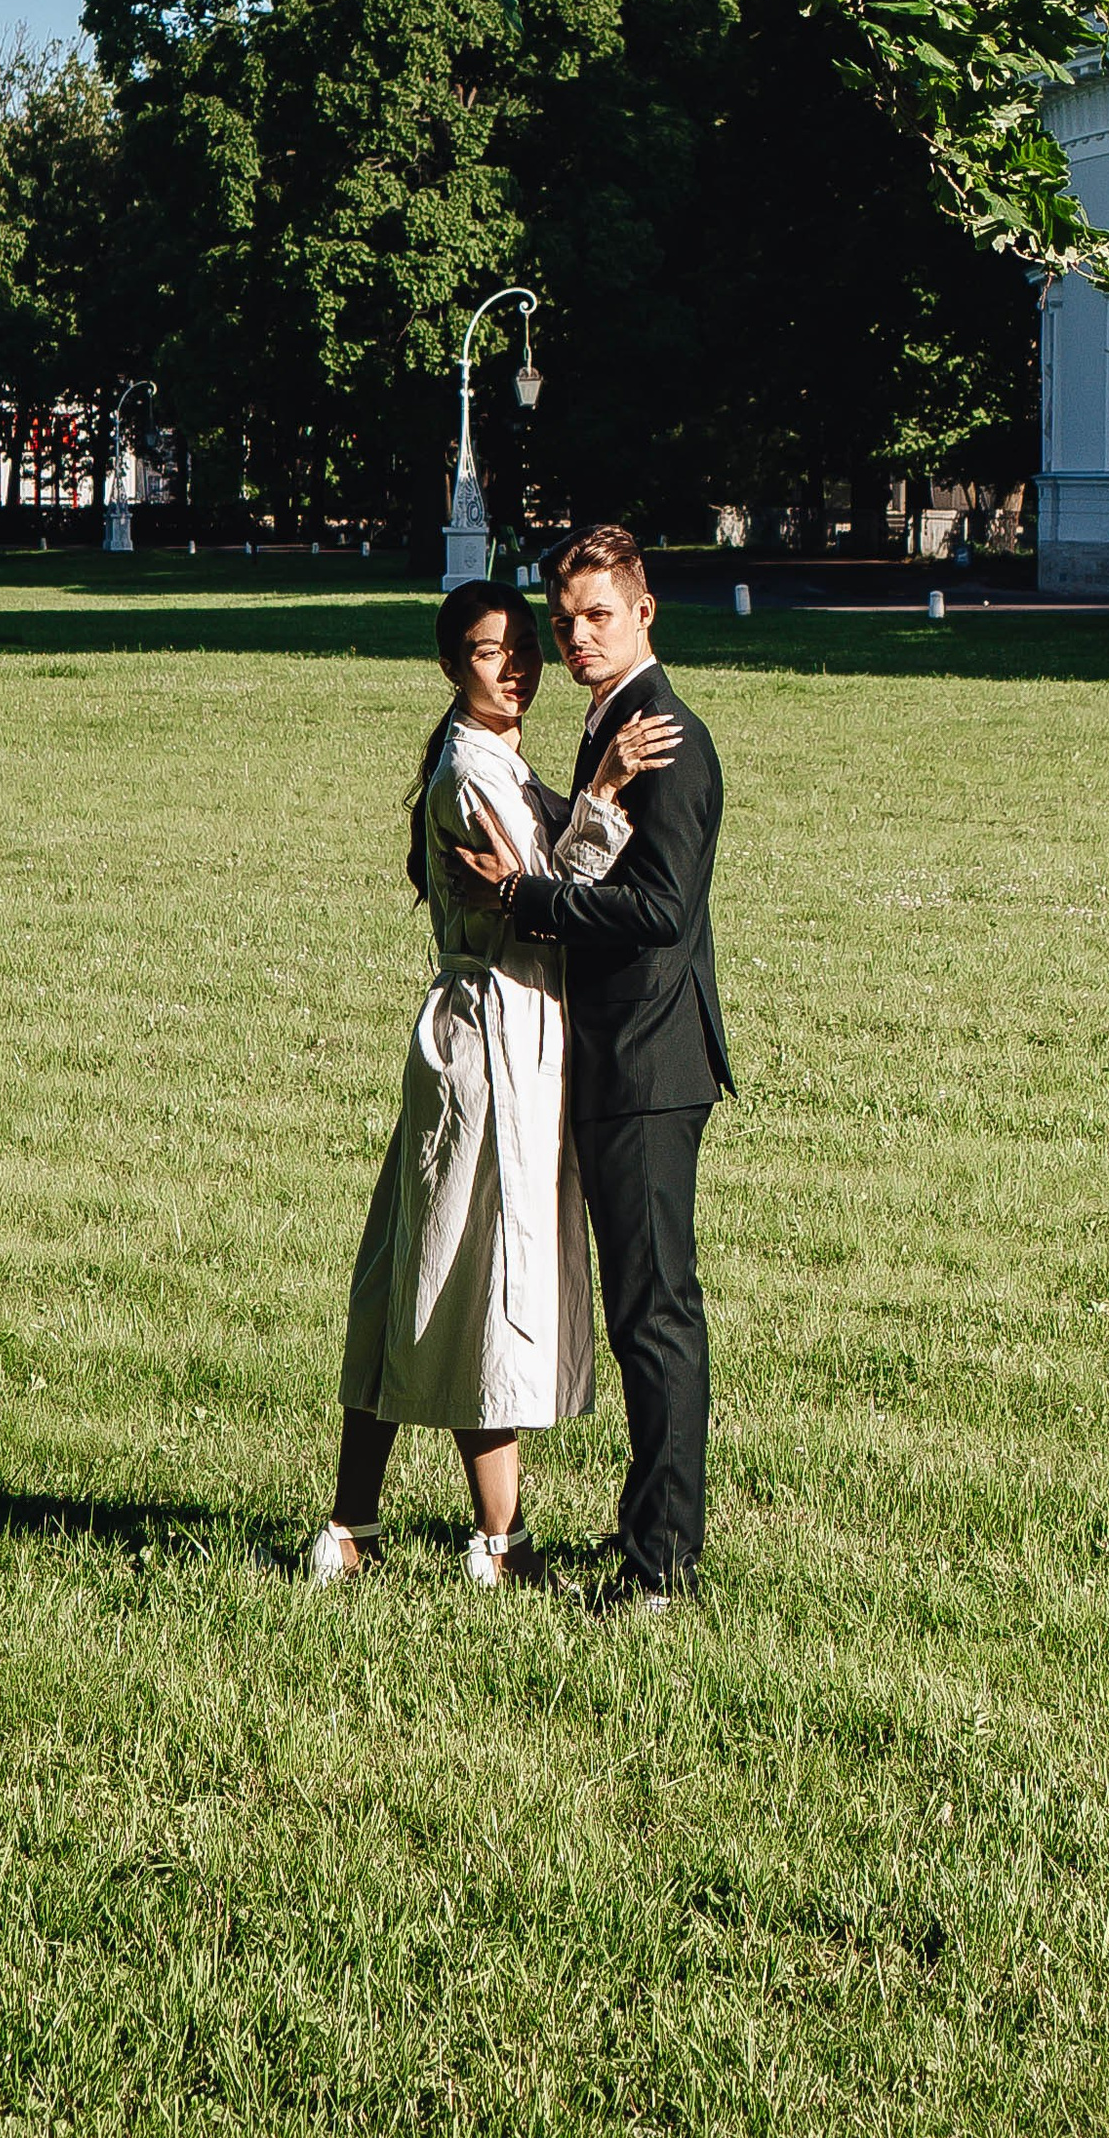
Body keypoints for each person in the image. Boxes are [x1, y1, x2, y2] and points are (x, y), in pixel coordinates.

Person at [306, 579, 680, 1590]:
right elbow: (542, 904)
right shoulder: (471, 773)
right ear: (449, 665)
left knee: (419, 1277)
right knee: (475, 1281)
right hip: (491, 1040)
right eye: (487, 651)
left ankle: (352, 1526)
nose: (514, 665)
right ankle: (498, 1544)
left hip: (503, 1034)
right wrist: (600, 800)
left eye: (524, 647)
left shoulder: (495, 758)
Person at [455, 524, 732, 1609]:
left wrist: (524, 898)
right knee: (640, 1313)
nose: (575, 636)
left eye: (597, 616)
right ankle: (652, 1543)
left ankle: (660, 1568)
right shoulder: (613, 726)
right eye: (563, 619)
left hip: (650, 1062)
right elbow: (611, 859)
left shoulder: (668, 736)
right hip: (617, 1056)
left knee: (655, 1314)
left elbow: (660, 912)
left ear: (644, 610)